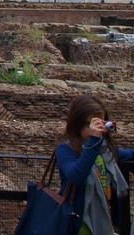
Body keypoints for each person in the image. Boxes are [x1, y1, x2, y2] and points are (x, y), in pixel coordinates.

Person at [56, 94, 134, 235]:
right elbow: (76, 176)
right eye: (90, 124)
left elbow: (127, 154)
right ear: (77, 124)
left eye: (101, 123)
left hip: (104, 222)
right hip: (78, 224)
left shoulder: (104, 150)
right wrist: (93, 140)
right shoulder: (66, 150)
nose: (97, 129)